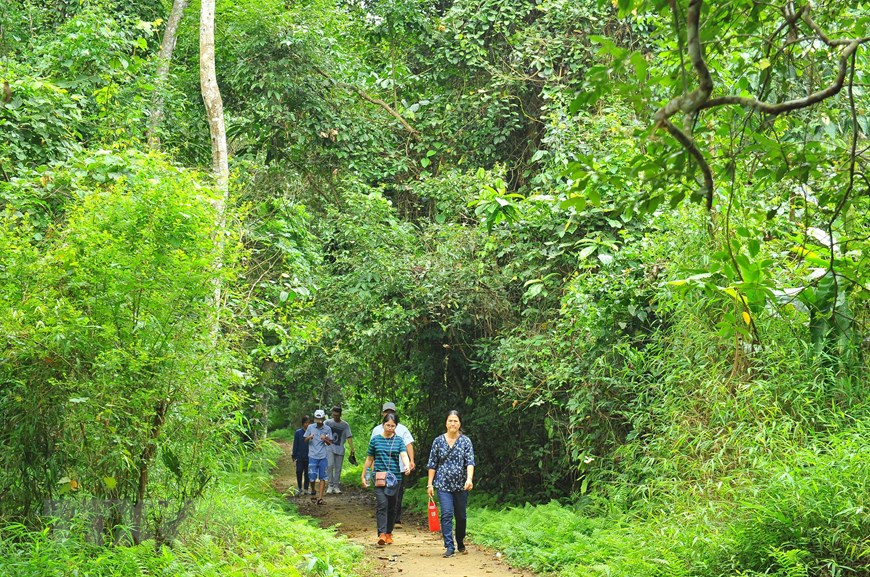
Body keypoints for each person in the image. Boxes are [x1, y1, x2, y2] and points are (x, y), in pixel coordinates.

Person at [427, 410, 475, 558]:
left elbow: (470, 462)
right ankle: (449, 546)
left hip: (461, 485)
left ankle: (460, 541)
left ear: (460, 423)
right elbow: (432, 464)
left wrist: (469, 479)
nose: (452, 423)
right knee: (446, 514)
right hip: (443, 485)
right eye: (450, 421)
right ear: (445, 423)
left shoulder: (466, 441)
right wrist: (430, 484)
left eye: (455, 421)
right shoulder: (438, 441)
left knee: (461, 516)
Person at [361, 413, 411, 546]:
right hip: (379, 478)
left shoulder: (399, 440)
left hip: (395, 479)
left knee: (392, 506)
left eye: (393, 426)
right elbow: (369, 459)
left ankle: (389, 532)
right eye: (387, 425)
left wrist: (407, 465)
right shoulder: (375, 440)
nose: (390, 428)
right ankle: (381, 533)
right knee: (382, 504)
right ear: (383, 425)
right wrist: (364, 474)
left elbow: (404, 455)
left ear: (396, 426)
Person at [370, 402, 414, 526]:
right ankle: (384, 526)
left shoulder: (402, 429)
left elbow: (408, 444)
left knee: (397, 494)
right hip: (381, 469)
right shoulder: (377, 430)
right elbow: (372, 450)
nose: (389, 414)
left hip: (398, 468)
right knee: (382, 497)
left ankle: (396, 519)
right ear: (383, 414)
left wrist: (411, 461)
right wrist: (372, 467)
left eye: (391, 411)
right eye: (386, 412)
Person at [304, 409, 333, 505]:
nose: (318, 420)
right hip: (312, 455)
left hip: (323, 456)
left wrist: (325, 439)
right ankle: (313, 490)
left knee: (323, 477)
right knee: (311, 477)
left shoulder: (327, 429)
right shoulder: (310, 427)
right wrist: (309, 437)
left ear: (323, 418)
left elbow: (330, 443)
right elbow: (305, 439)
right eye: (317, 418)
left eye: (320, 418)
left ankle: (320, 498)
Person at [324, 406, 355, 494]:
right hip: (329, 447)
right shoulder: (327, 423)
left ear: (340, 414)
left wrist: (352, 448)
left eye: (337, 415)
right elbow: (322, 433)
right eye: (334, 415)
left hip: (340, 448)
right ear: (332, 414)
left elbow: (349, 437)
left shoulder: (345, 425)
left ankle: (336, 486)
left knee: (338, 468)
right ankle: (330, 485)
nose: (336, 417)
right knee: (330, 466)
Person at [291, 415, 312, 496]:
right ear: (303, 423)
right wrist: (294, 455)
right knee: (299, 471)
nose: (307, 424)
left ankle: (306, 489)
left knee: (307, 473)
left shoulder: (311, 433)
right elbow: (295, 444)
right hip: (299, 456)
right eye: (306, 423)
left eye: (308, 423)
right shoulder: (298, 432)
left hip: (309, 456)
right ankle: (299, 488)